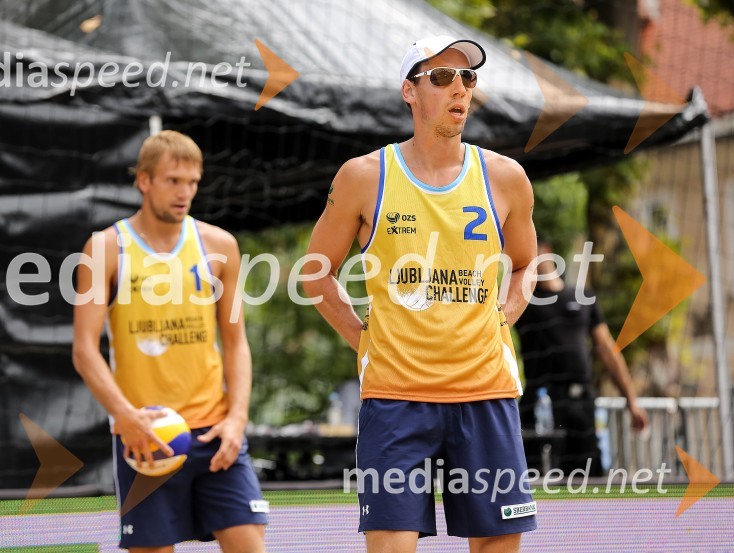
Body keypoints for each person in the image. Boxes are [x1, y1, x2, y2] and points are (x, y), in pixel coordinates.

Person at [303, 35, 538, 553]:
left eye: (468, 77)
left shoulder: (504, 177)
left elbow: (526, 266)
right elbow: (315, 276)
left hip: (485, 394)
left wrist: (502, 318)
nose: (459, 88)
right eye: (441, 77)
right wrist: (364, 340)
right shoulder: (365, 176)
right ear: (409, 91)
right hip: (395, 400)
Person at [72, 131, 267, 553]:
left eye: (193, 183)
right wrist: (124, 417)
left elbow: (236, 344)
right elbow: (85, 350)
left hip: (215, 431)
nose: (185, 193)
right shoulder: (105, 248)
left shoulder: (220, 246)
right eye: (173, 181)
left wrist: (237, 418)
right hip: (146, 436)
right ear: (144, 181)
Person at [515, 239, 649, 476]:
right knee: (538, 477)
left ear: (549, 252)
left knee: (590, 474)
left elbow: (607, 349)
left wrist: (632, 401)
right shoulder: (522, 302)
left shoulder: (582, 297)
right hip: (540, 404)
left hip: (581, 404)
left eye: (535, 252)